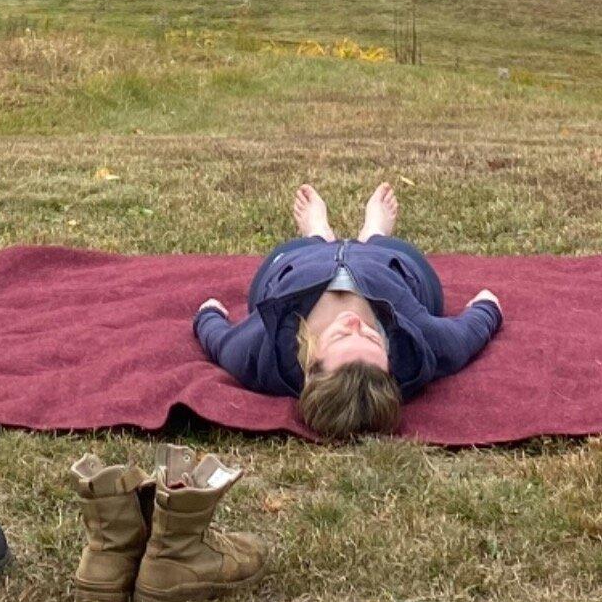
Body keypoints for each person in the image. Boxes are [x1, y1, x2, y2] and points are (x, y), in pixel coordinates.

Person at [195, 182, 503, 439]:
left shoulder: (260, 349)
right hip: (388, 262)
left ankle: (317, 233)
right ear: (390, 366)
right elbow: (464, 336)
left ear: (310, 365)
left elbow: (220, 341)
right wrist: (487, 307)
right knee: (400, 256)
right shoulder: (418, 345)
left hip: (299, 261)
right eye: (372, 338)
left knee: (291, 255)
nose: (355, 323)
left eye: (343, 336)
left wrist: (208, 314)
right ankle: (375, 233)